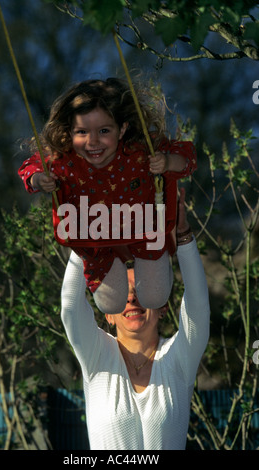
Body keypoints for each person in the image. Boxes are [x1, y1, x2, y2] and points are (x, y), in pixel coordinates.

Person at [18, 78, 197, 314]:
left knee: (154, 297)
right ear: (69, 132)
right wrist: (39, 179)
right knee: (109, 304)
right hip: (95, 238)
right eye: (82, 132)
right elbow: (30, 167)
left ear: (122, 128)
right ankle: (104, 260)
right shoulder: (64, 160)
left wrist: (166, 161)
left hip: (143, 231)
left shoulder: (139, 149)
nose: (92, 142)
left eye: (104, 131)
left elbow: (187, 158)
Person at [60, 188, 210, 450]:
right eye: (123, 295)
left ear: (162, 306)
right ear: (108, 314)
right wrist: (84, 238)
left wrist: (183, 234)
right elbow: (70, 308)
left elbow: (198, 305)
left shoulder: (178, 357)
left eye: (140, 291)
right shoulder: (96, 355)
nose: (132, 300)